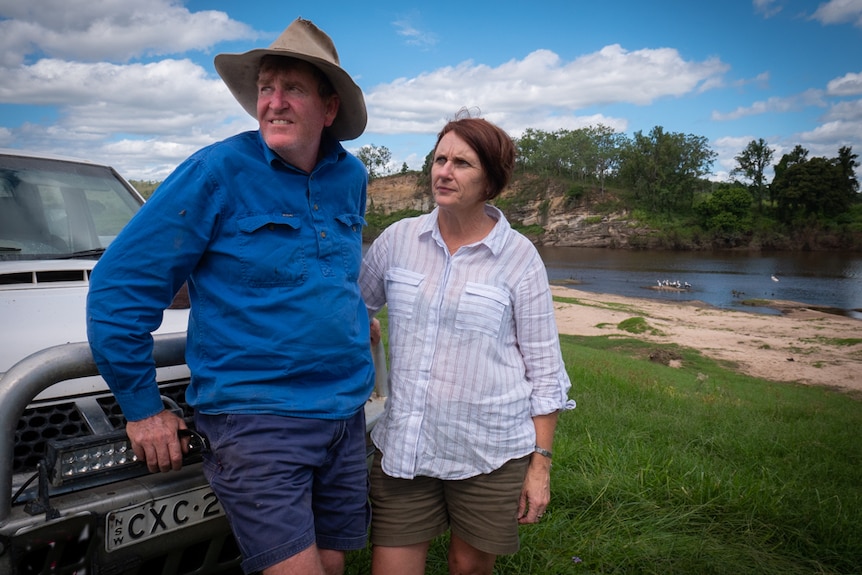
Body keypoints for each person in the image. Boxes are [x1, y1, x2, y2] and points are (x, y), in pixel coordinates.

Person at [87, 18, 374, 575]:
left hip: (344, 413)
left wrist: (356, 319)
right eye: (266, 88)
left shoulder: (352, 177)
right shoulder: (216, 171)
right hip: (257, 420)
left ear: (329, 107)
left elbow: (332, 275)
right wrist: (143, 409)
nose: (274, 102)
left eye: (293, 88)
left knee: (334, 565)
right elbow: (118, 289)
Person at [358, 112, 575, 575]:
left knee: (467, 566)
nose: (444, 171)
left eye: (462, 162)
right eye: (440, 159)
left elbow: (545, 372)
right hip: (407, 445)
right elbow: (355, 306)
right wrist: (364, 326)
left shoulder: (519, 258)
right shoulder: (398, 240)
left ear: (491, 181)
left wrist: (540, 466)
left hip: (489, 450)